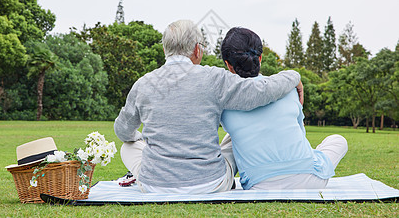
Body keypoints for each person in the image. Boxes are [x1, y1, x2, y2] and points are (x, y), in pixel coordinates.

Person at [114, 20, 303, 194]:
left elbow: (122, 130)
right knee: (233, 137)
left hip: (154, 185)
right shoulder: (214, 78)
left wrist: (141, 140)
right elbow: (261, 91)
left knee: (127, 146)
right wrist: (294, 76)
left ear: (165, 50)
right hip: (211, 183)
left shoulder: (144, 84)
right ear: (197, 50)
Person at [220, 27, 348, 190]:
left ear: (228, 64)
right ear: (260, 58)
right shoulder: (289, 89)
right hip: (310, 179)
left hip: (258, 184)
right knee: (338, 140)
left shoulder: (225, 100)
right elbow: (300, 133)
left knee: (233, 137)